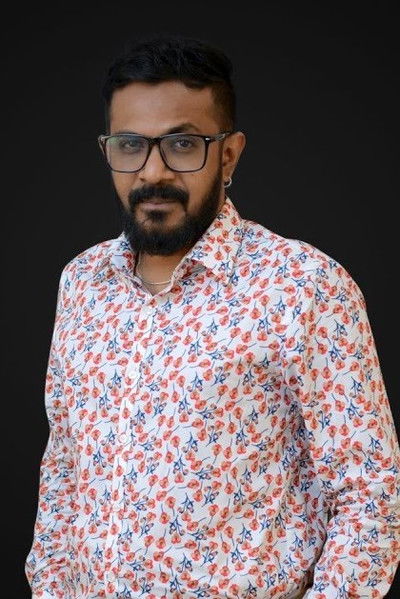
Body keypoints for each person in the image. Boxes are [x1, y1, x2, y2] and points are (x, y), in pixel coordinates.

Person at [25, 34, 400, 599]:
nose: (152, 172)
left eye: (183, 145)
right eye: (130, 145)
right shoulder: (82, 283)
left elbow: (369, 490)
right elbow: (64, 469)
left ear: (229, 155)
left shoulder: (302, 286)